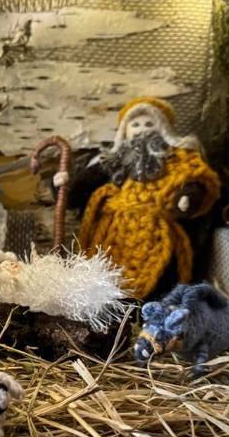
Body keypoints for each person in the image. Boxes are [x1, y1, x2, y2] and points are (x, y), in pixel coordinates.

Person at [78, 97, 220, 299]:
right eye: (135, 124)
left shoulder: (178, 159)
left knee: (160, 278)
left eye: (149, 123)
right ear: (125, 131)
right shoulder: (114, 159)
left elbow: (196, 179)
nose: (142, 129)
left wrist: (186, 197)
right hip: (115, 229)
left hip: (158, 228)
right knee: (107, 270)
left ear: (163, 129)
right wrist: (64, 184)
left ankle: (151, 306)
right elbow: (85, 184)